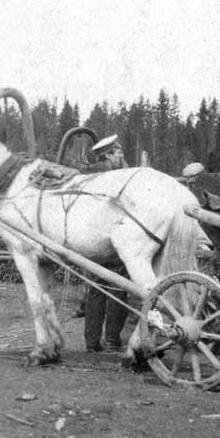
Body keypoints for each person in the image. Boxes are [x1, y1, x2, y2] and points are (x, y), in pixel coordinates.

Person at [79, 134, 130, 351]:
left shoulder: (89, 175)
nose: (121, 155)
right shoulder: (114, 177)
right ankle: (112, 339)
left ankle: (92, 342)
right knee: (119, 288)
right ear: (108, 155)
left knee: (95, 290)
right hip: (112, 239)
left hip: (93, 241)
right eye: (118, 152)